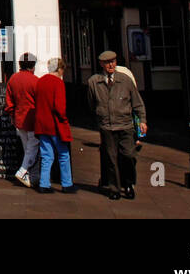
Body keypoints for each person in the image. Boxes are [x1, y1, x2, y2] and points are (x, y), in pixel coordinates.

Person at [86, 49, 147, 200]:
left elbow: (137, 103)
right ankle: (114, 188)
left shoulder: (125, 80)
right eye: (107, 63)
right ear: (101, 64)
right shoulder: (94, 82)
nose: (110, 65)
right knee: (111, 159)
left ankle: (129, 184)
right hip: (107, 126)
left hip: (126, 125)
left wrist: (143, 121)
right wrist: (101, 115)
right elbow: (91, 103)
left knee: (129, 155)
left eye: (113, 61)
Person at [33, 56, 75, 194]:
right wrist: (64, 120)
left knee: (46, 155)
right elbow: (60, 107)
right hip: (55, 125)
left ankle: (44, 183)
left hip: (41, 124)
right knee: (63, 154)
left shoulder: (40, 82)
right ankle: (67, 184)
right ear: (60, 69)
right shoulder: (58, 83)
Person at [4, 52, 40, 187]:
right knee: (32, 148)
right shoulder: (36, 81)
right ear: (32, 66)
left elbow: (9, 101)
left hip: (18, 119)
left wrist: (12, 115)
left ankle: (29, 176)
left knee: (27, 148)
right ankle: (22, 171)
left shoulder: (13, 79)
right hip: (32, 120)